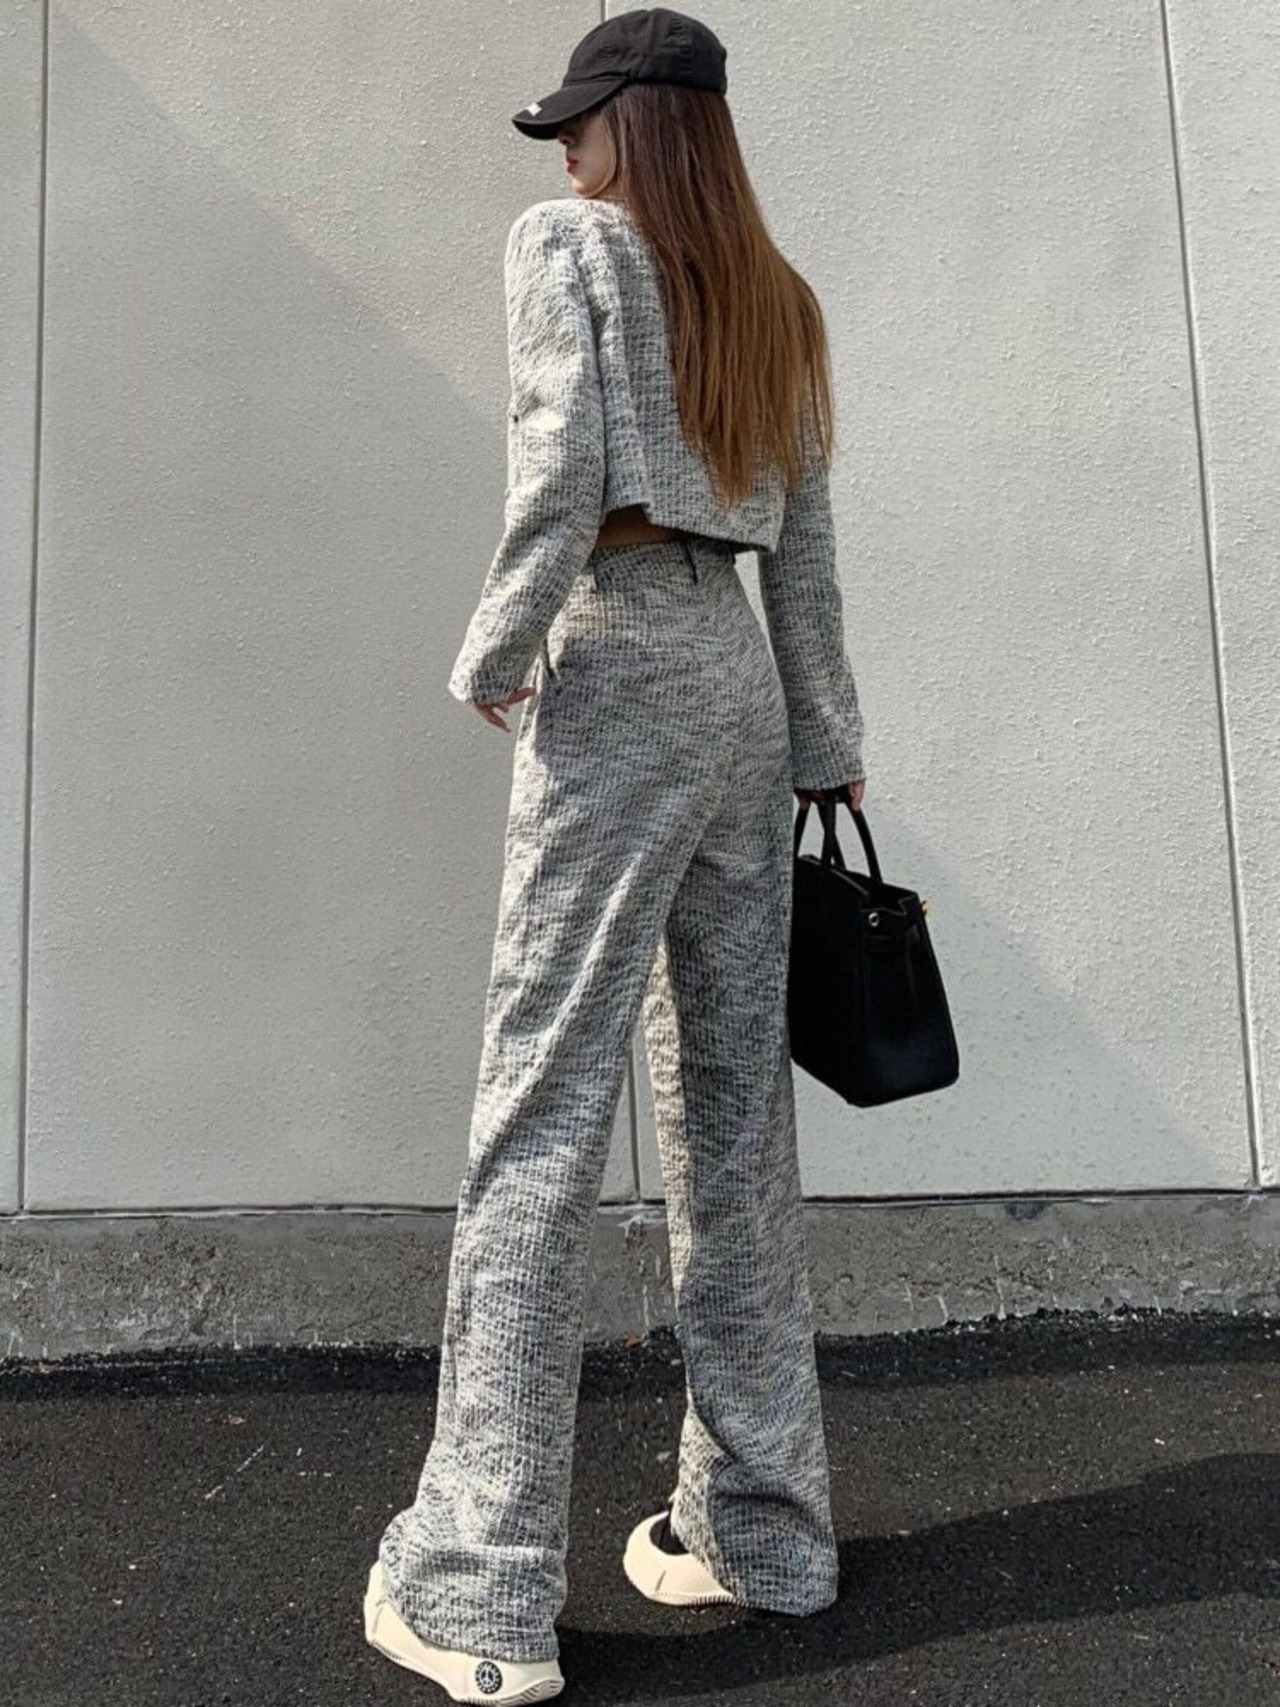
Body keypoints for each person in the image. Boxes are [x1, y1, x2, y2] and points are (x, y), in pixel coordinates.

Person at [363, 9, 868, 1700]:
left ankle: (479, 1587)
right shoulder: (775, 293)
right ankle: (767, 1534)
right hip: (738, 690)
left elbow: (562, 464)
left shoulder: (569, 246)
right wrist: (824, 743)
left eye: (579, 123)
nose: (564, 152)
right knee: (734, 1120)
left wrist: (495, 648)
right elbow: (807, 548)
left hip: (624, 666)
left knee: (542, 1107)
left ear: (635, 125)